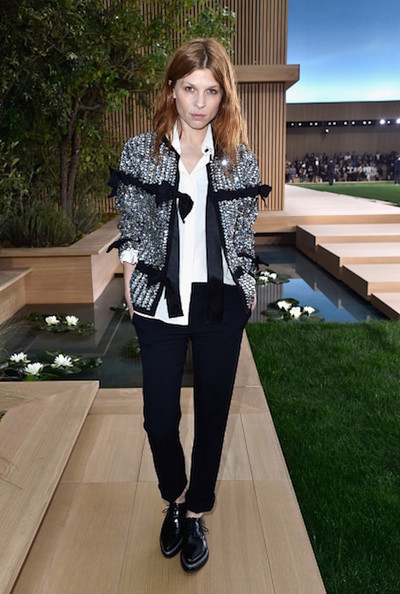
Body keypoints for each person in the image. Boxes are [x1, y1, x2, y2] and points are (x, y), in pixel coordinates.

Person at [107, 37, 270, 573]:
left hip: (220, 304)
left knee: (213, 418)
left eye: (211, 91)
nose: (200, 103)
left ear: (225, 97)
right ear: (171, 90)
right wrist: (130, 274)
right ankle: (174, 498)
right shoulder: (141, 152)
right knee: (159, 421)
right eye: (189, 89)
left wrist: (247, 288)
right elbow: (132, 225)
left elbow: (242, 236)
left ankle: (196, 511)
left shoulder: (238, 159)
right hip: (160, 303)